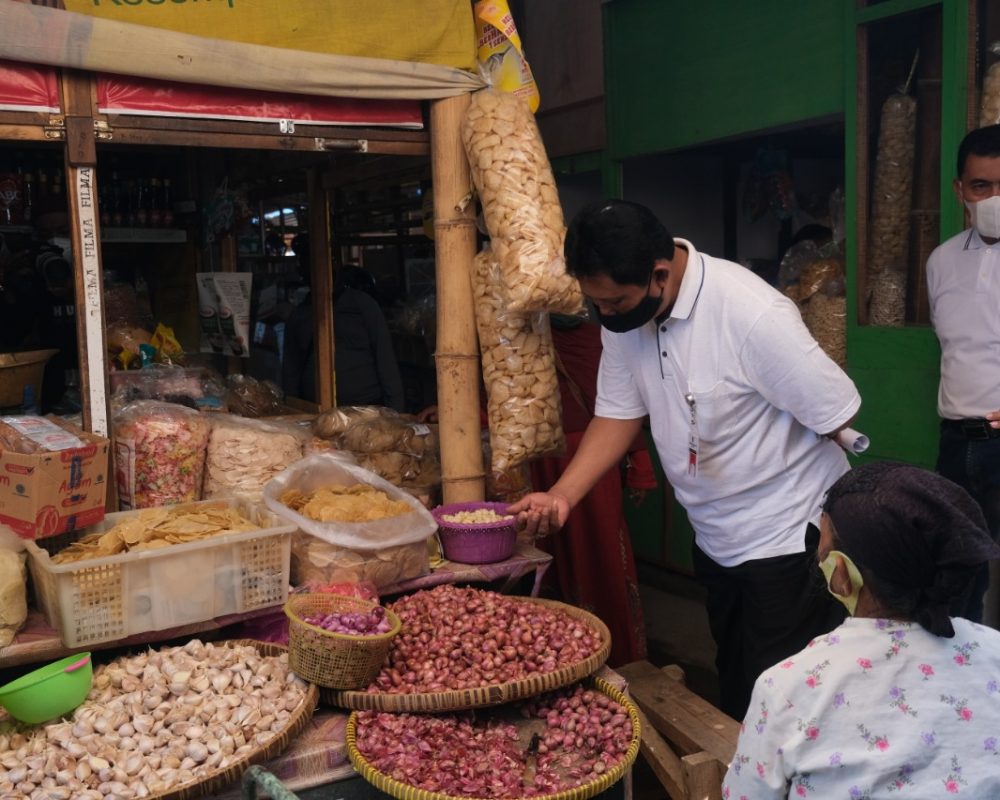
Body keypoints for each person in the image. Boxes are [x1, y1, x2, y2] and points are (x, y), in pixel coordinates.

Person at [509, 199, 861, 719]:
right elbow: (617, 414)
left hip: (788, 538)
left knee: (784, 696)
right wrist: (562, 496)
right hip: (715, 534)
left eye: (614, 302)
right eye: (595, 304)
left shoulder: (750, 313)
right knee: (738, 673)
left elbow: (836, 413)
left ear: (658, 274)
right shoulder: (623, 318)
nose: (605, 315)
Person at [722, 462, 1000, 798]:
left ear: (841, 573)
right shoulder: (993, 651)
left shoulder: (788, 686)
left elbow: (747, 793)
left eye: (822, 553)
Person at [531, 313, 658, 667]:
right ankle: (557, 655)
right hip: (543, 463)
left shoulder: (603, 337)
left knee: (601, 554)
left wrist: (640, 468)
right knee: (553, 551)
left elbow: (622, 410)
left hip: (594, 461)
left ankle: (614, 652)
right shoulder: (527, 339)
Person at [927, 123, 1000, 623]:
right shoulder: (941, 261)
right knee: (958, 573)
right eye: (981, 186)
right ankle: (969, 687)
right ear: (961, 191)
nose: (994, 198)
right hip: (958, 442)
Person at [282, 233, 405, 411]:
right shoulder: (298, 317)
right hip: (317, 413)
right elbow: (291, 373)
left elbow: (386, 361)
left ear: (336, 265)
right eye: (309, 263)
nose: (318, 268)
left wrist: (396, 414)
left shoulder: (362, 306)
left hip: (367, 411)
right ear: (302, 271)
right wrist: (291, 413)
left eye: (326, 261)